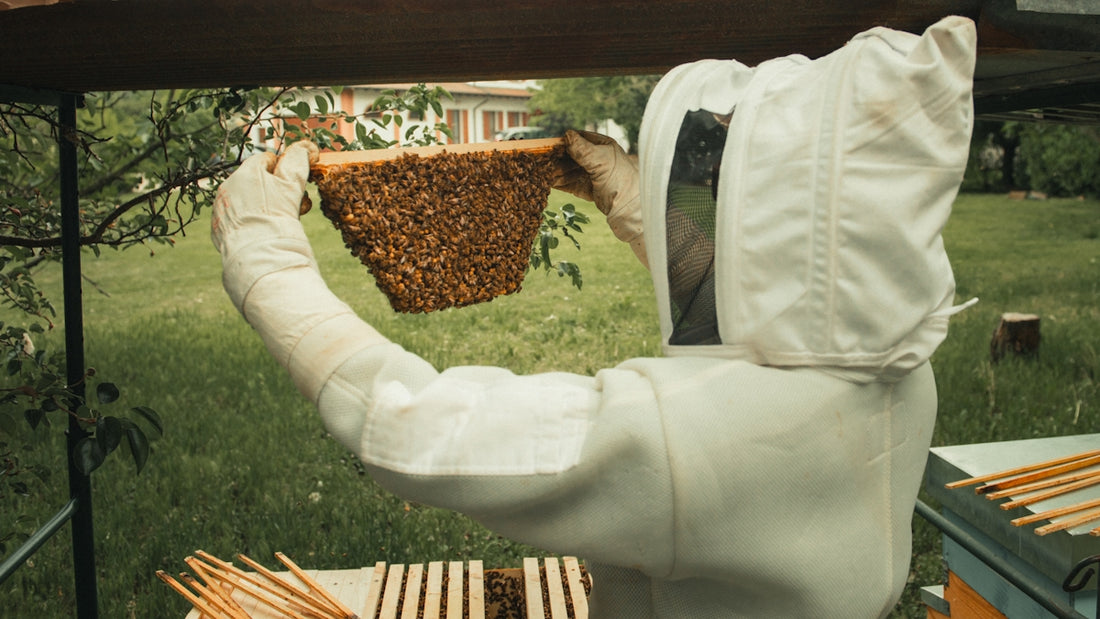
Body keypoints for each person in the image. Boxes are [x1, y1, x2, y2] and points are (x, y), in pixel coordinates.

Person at [211, 15, 977, 618]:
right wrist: (638, 206)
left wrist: (266, 266)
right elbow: (786, 293)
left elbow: (420, 428)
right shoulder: (903, 373)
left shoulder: (696, 442)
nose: (700, 204)